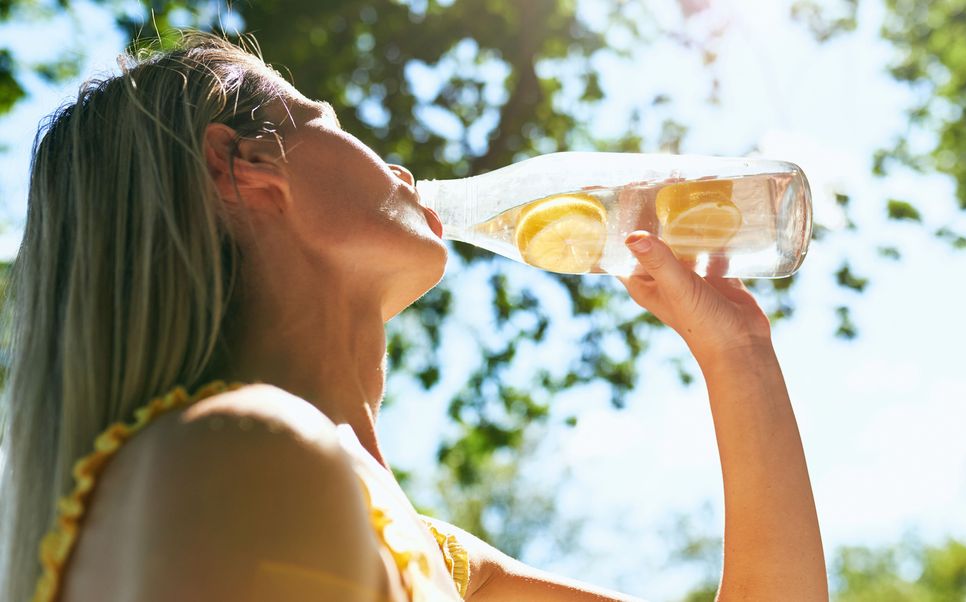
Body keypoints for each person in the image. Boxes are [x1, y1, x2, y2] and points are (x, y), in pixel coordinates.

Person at [0, 32, 827, 601]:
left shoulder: (421, 551)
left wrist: (739, 352)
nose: (393, 162)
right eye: (327, 122)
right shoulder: (246, 456)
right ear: (242, 165)